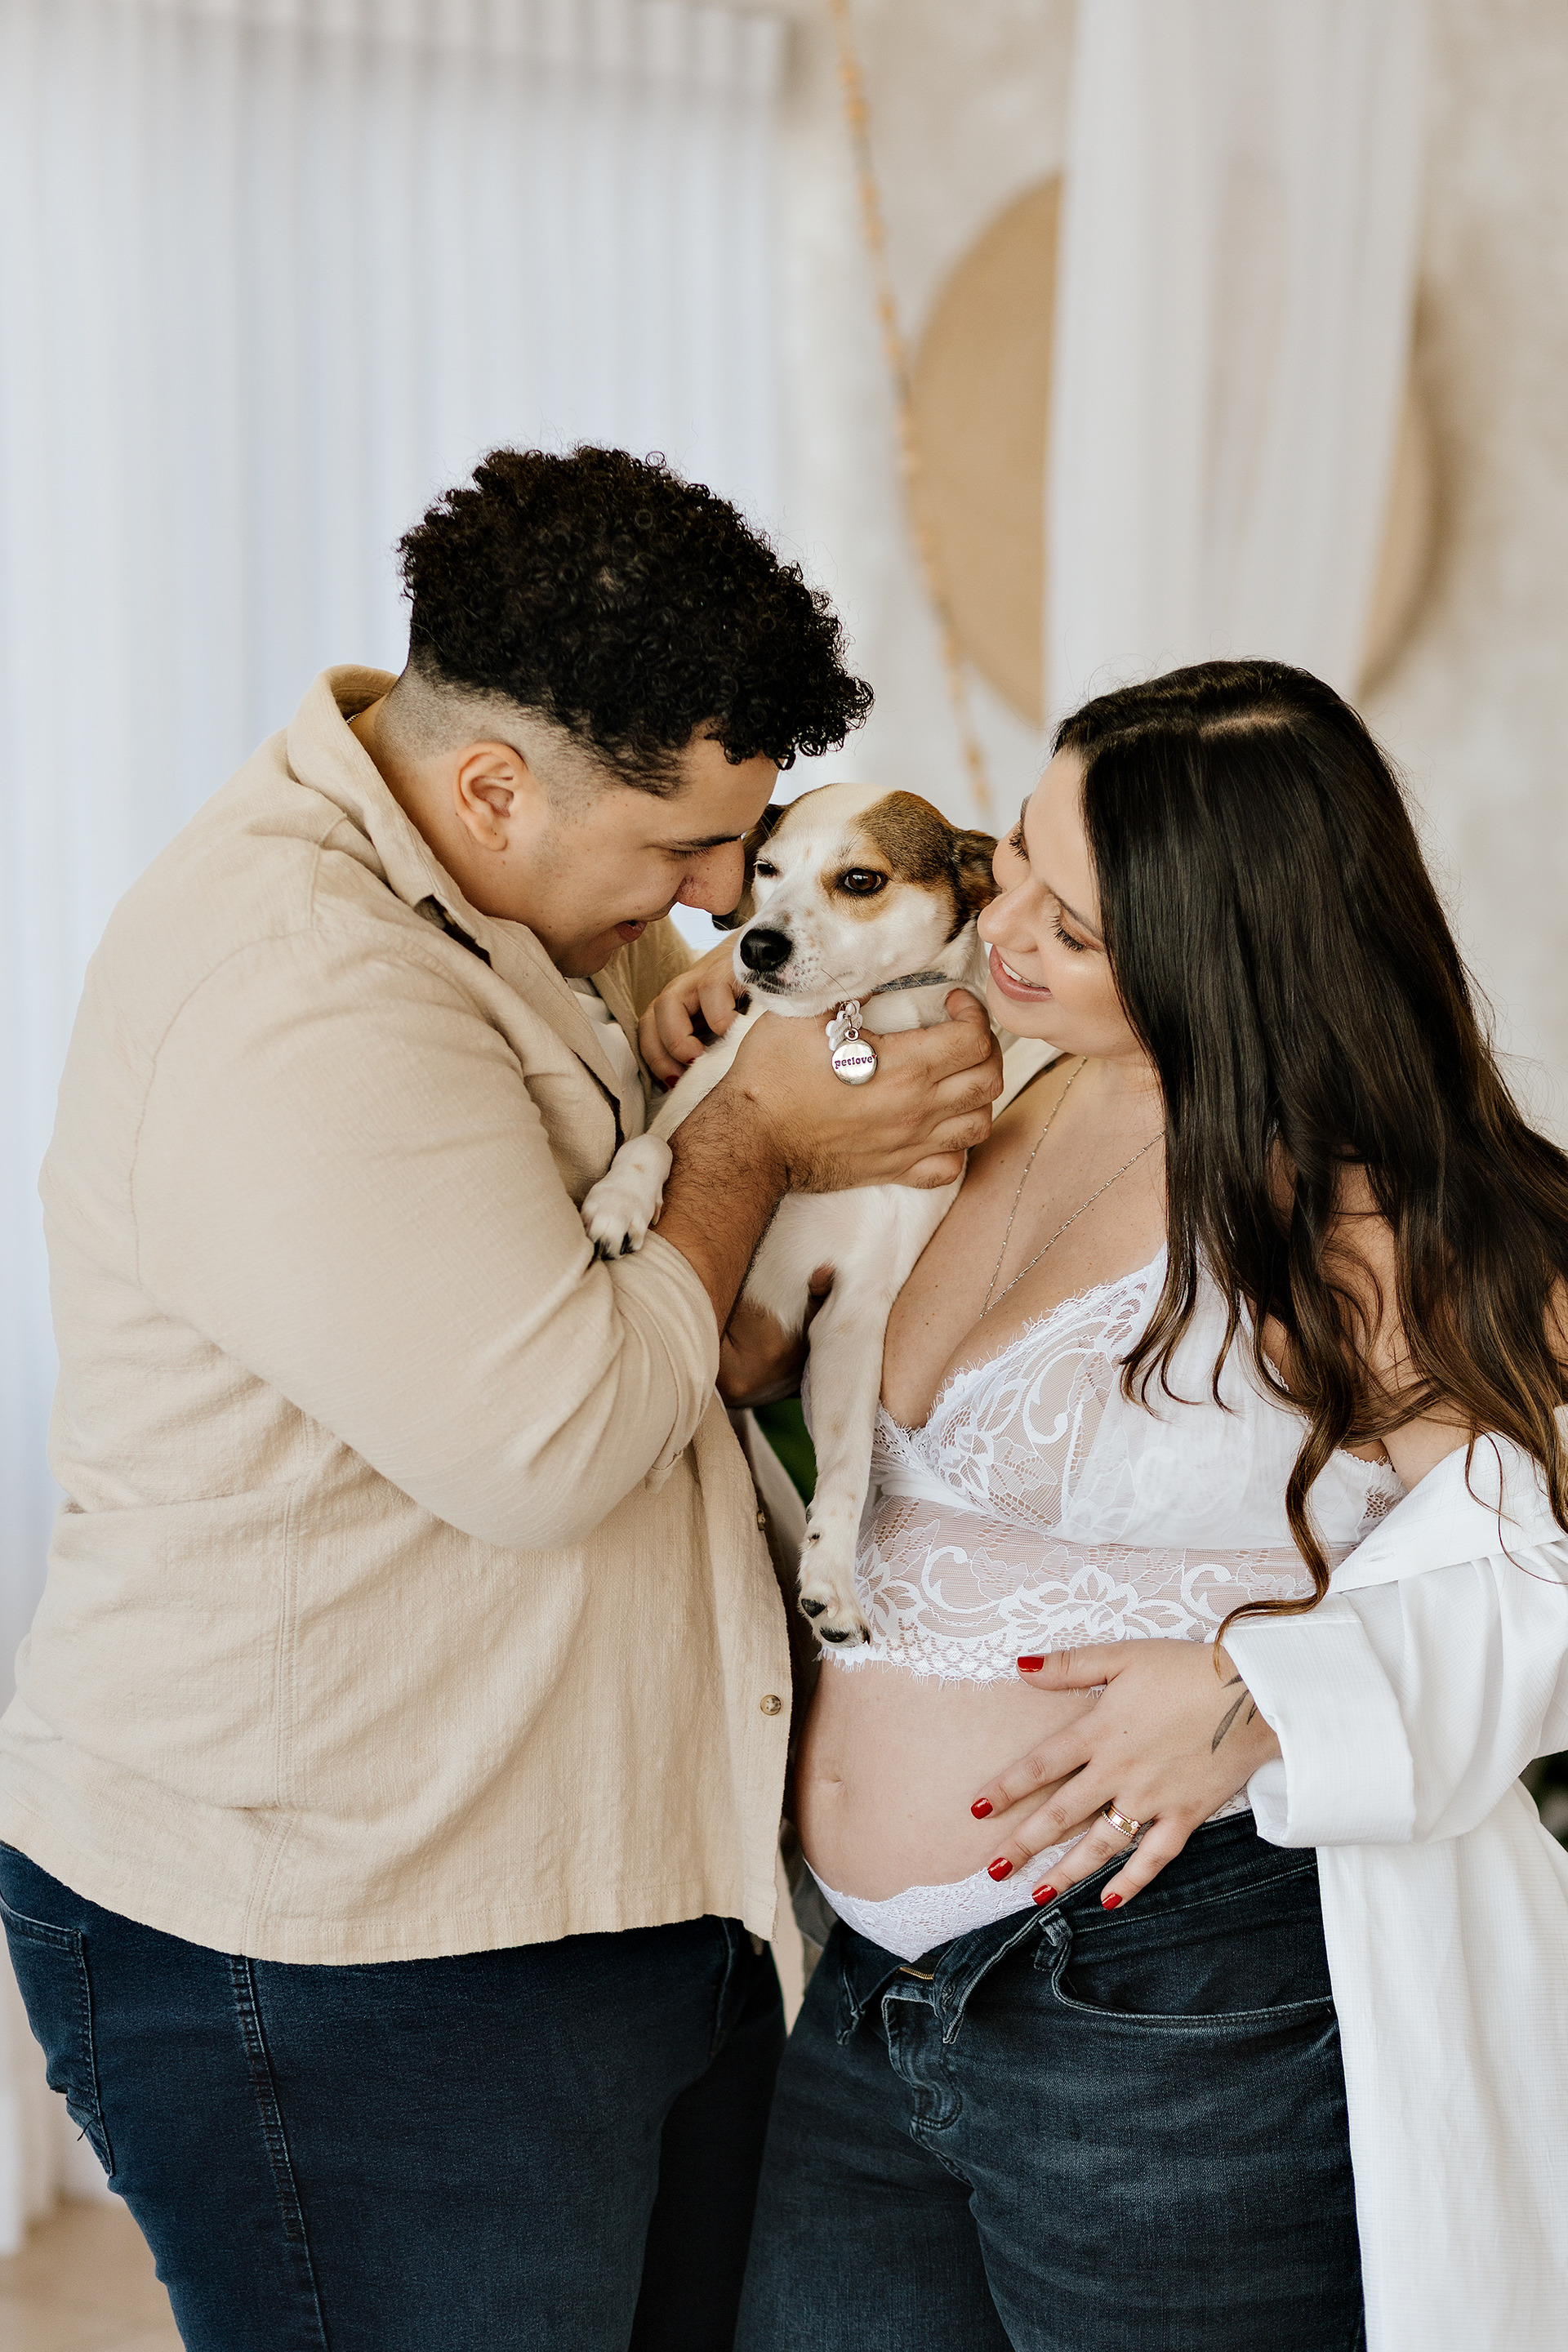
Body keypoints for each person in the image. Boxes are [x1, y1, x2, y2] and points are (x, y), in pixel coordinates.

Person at [0, 445, 1003, 2352]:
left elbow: (671, 1326)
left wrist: (732, 1120)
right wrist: (758, 1143)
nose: (718, 901)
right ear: (490, 788)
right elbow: (552, 1442)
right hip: (352, 1942)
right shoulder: (297, 985)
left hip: (597, 1885)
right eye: (685, 850)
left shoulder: (539, 901)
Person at [652, 660, 1568, 2352]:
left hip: (1173, 2007)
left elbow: (1546, 1570)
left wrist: (1261, 1690)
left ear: (1226, 950)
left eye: (1074, 927)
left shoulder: (1364, 1220)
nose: (1006, 928)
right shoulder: (981, 1078)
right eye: (1016, 855)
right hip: (863, 2001)